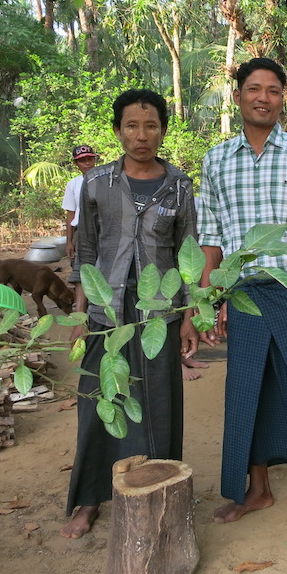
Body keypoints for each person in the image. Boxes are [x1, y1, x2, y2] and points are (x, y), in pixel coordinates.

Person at [197, 57, 287, 545]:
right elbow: (212, 236)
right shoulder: (216, 160)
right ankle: (255, 489)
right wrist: (208, 299)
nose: (264, 98)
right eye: (254, 89)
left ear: (284, 97)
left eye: (274, 91)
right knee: (246, 391)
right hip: (241, 296)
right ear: (237, 95)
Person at [62, 89, 199, 539]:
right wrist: (81, 314)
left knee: (158, 404)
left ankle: (161, 496)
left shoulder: (179, 185)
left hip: (159, 313)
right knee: (102, 401)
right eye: (132, 126)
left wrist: (188, 318)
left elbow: (186, 254)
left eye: (152, 125)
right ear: (118, 130)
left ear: (163, 129)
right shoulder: (96, 183)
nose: (142, 135)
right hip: (107, 309)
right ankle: (89, 499)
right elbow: (85, 250)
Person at [62, 144, 98, 260]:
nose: (87, 163)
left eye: (89, 159)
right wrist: (69, 242)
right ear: (76, 163)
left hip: (102, 229)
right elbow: (71, 214)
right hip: (81, 230)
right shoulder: (73, 184)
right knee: (81, 265)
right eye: (82, 161)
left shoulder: (106, 180)